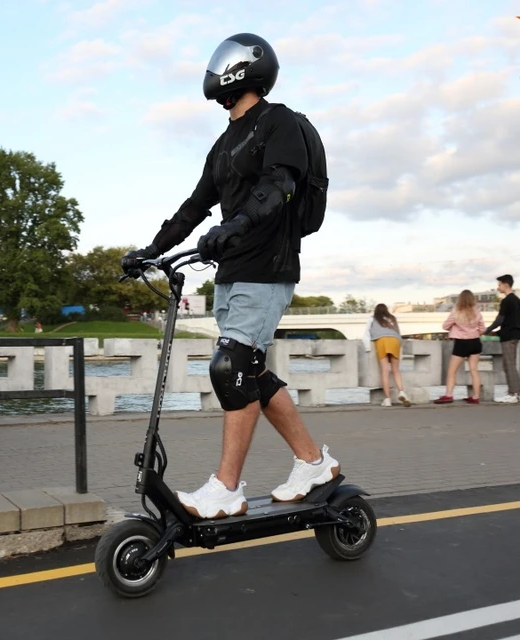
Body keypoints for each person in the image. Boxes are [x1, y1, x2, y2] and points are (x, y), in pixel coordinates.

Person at [121, 33, 340, 520]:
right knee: (253, 373)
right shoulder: (223, 144)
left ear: (246, 71)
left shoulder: (278, 121)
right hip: (232, 271)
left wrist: (236, 224)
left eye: (226, 65)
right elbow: (195, 206)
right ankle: (314, 463)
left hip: (268, 265)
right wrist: (153, 250)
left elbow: (279, 185)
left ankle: (227, 487)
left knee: (231, 366)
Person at [434, 290, 485, 404]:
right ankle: (476, 397)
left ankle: (449, 395)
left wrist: (456, 329)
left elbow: (445, 326)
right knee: (474, 370)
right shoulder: (477, 312)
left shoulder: (456, 312)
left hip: (461, 343)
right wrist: (473, 333)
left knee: (452, 371)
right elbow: (482, 329)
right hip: (475, 342)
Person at [485, 274, 520, 403]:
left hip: (508, 336)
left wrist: (488, 330)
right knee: (511, 365)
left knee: (509, 365)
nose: (498, 288)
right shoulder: (517, 300)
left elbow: (500, 320)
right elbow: (512, 320)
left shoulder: (507, 301)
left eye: (499, 285)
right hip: (516, 334)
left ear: (506, 285)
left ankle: (512, 393)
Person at [363, 304, 411, 407]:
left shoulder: (372, 318)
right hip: (395, 341)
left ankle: (387, 399)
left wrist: (367, 348)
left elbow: (366, 334)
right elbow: (398, 333)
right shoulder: (392, 318)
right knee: (395, 370)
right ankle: (402, 392)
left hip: (382, 340)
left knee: (385, 371)